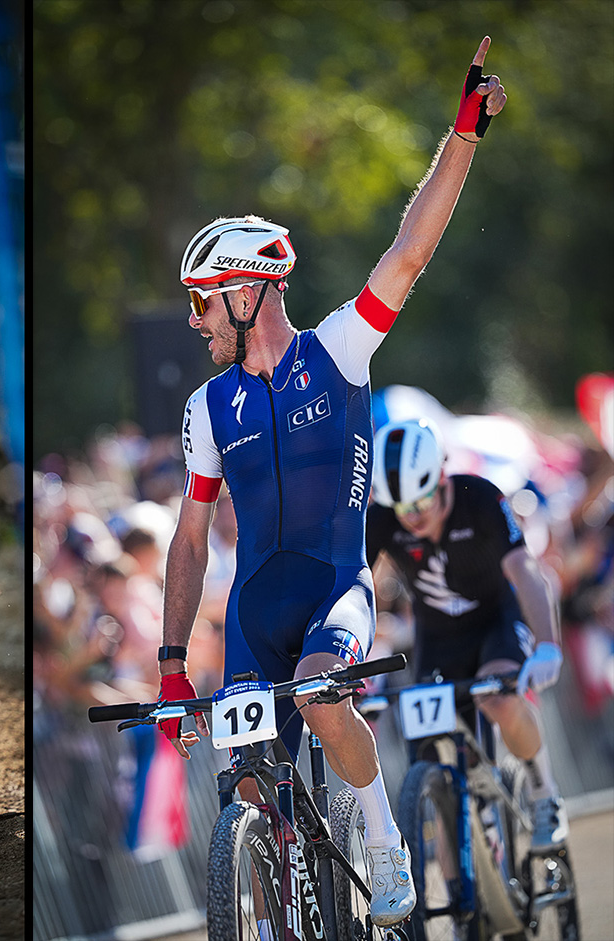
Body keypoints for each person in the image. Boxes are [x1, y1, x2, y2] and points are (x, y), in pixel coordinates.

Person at [156, 37, 506, 927]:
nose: (194, 321)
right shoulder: (205, 407)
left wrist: (462, 134)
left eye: (201, 301)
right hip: (250, 614)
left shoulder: (338, 352)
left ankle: (383, 839)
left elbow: (410, 251)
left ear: (243, 293)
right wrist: (168, 665)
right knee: (245, 788)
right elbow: (190, 539)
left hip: (334, 593)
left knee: (318, 696)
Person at [368, 418, 568, 851]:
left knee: (496, 697)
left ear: (441, 477)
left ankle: (543, 791)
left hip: (495, 621)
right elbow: (357, 588)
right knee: (428, 755)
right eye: (403, 508)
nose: (414, 516)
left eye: (421, 501)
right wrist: (355, 658)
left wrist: (548, 644)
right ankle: (461, 889)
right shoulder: (383, 518)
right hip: (438, 638)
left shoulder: (479, 497)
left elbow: (526, 572)